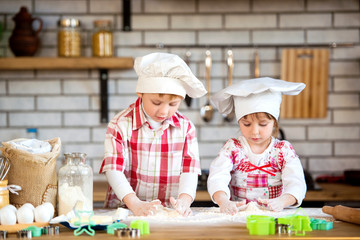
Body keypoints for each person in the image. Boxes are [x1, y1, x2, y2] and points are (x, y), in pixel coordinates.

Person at [99, 52, 207, 217]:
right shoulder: (119, 124)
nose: (164, 111)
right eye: (156, 102)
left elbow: (189, 170)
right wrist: (135, 204)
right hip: (126, 211)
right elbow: (113, 170)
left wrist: (185, 199)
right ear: (140, 94)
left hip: (167, 213)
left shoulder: (186, 128)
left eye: (173, 104)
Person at [207, 77, 307, 215]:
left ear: (274, 122)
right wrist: (224, 201)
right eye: (246, 124)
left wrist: (283, 201)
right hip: (238, 216)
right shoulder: (233, 148)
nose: (254, 131)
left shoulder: (283, 150)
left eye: (263, 124)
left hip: (273, 217)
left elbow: (297, 183)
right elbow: (217, 177)